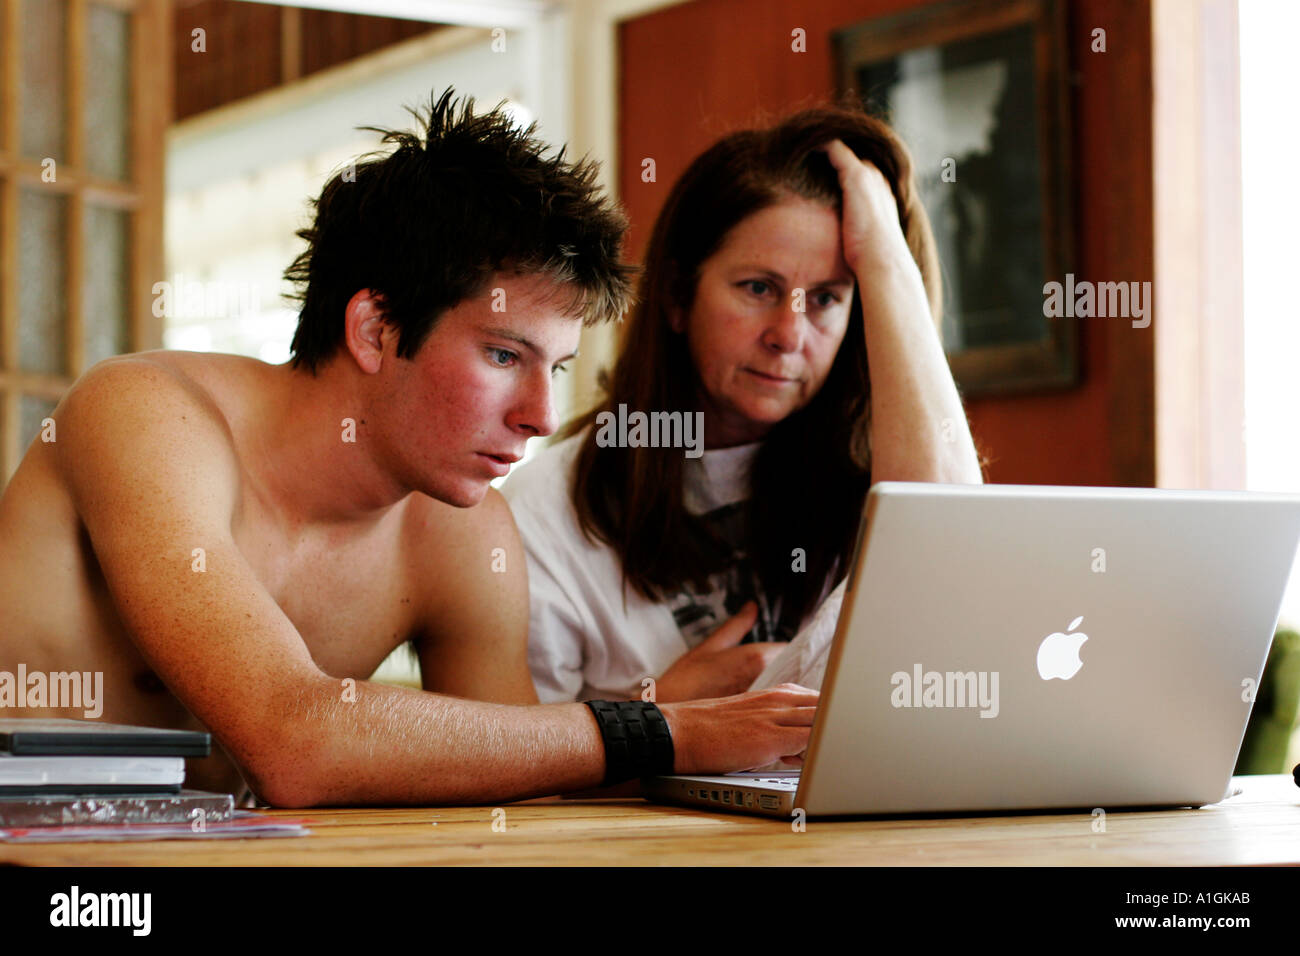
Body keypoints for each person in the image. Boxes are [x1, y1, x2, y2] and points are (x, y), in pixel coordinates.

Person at [0, 89, 819, 807]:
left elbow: (522, 773)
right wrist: (653, 730)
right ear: (375, 328)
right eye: (504, 356)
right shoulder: (146, 415)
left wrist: (661, 714)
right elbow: (295, 741)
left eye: (557, 369)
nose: (540, 415)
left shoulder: (460, 532)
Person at [504, 104, 985, 705]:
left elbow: (951, 553)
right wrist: (653, 723)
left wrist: (887, 256)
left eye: (828, 299)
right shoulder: (542, 515)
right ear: (678, 297)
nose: (788, 333)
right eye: (759, 288)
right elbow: (513, 779)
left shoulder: (882, 475)